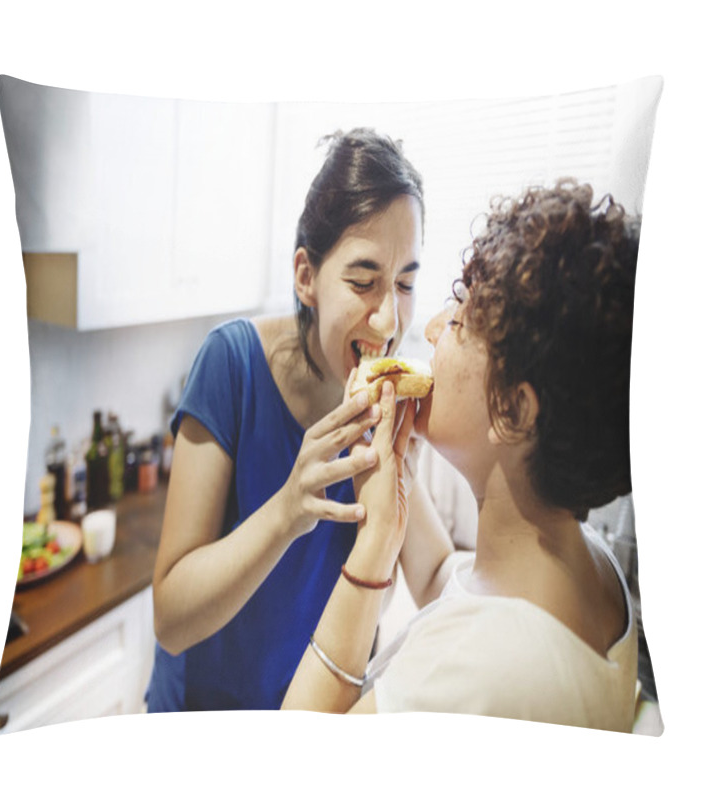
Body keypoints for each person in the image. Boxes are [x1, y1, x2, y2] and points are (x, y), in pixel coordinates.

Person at [282, 180, 641, 732]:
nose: (423, 328)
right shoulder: (592, 569)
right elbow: (445, 578)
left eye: (458, 322)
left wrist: (372, 552)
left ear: (515, 412)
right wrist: (395, 488)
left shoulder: (468, 673)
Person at [146, 128, 459, 712]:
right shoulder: (231, 364)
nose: (390, 317)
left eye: (406, 283)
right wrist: (290, 508)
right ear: (306, 277)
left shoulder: (381, 405)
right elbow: (170, 618)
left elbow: (436, 568)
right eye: (364, 282)